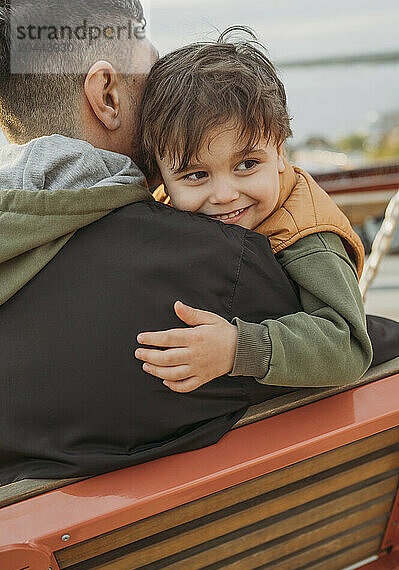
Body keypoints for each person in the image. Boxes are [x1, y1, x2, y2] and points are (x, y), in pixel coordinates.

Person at [0, 2, 397, 487]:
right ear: (106, 95)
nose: (225, 193)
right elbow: (366, 347)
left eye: (247, 163)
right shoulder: (216, 267)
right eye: (152, 79)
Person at [134, 29, 373, 393]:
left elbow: (348, 345)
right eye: (197, 175)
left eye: (246, 164)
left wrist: (236, 348)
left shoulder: (308, 240)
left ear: (279, 151)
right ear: (161, 177)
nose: (226, 194)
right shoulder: (164, 202)